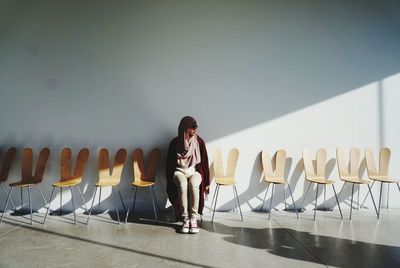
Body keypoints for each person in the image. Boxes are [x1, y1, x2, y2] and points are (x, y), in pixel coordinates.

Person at [166, 116, 210, 234]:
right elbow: (169, 165)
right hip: (179, 171)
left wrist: (207, 183)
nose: (194, 130)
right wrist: (169, 182)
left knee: (194, 184)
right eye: (191, 128)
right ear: (184, 129)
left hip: (194, 171)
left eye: (195, 127)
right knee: (183, 184)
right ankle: (185, 218)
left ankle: (193, 219)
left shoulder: (199, 142)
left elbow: (205, 162)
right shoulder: (175, 143)